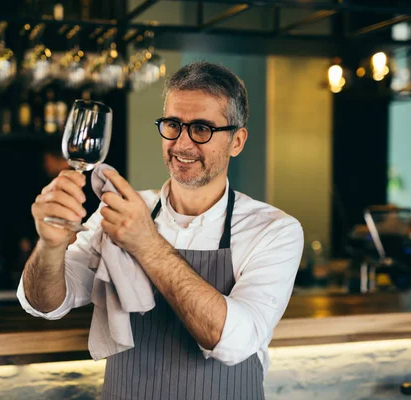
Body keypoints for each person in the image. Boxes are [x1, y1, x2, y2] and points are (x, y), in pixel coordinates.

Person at [18, 61, 304, 399]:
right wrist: (49, 246)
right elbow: (47, 303)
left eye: (201, 128)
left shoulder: (274, 229)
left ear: (237, 141)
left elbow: (232, 341)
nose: (182, 144)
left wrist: (147, 245)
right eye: (172, 124)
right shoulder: (119, 209)